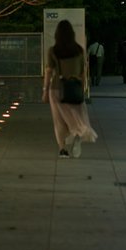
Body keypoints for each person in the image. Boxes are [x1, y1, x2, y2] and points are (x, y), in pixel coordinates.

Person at [42, 19, 97, 158]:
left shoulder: (53, 51)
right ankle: (78, 135)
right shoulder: (79, 50)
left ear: (57, 34)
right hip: (75, 88)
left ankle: (62, 150)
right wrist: (82, 88)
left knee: (59, 120)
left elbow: (49, 72)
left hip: (57, 89)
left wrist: (44, 91)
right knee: (76, 117)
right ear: (72, 34)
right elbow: (82, 73)